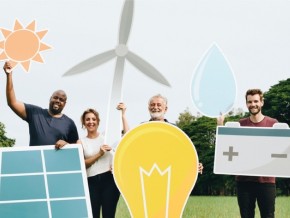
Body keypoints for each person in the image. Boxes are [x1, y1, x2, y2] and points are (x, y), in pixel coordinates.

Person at [217, 89, 277, 218]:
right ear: (246, 104)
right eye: (249, 102)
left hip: (266, 182)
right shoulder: (240, 125)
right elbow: (226, 146)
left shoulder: (273, 124)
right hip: (244, 182)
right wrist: (220, 125)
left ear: (262, 103)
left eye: (256, 101)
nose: (253, 104)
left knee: (268, 215)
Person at [3, 61, 79, 147]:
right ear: (50, 99)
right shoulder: (35, 113)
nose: (58, 100)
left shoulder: (69, 123)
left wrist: (67, 144)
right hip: (35, 159)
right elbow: (12, 102)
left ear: (64, 104)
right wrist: (9, 75)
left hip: (57, 160)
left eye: (61, 100)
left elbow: (75, 149)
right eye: (55, 97)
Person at [78, 103, 128, 218]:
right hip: (91, 183)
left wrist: (123, 115)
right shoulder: (81, 142)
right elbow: (82, 165)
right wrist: (99, 154)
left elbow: (127, 135)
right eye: (88, 119)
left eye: (93, 119)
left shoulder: (106, 137)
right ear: (84, 123)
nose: (91, 122)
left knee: (109, 215)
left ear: (98, 121)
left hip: (109, 182)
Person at [147, 94, 204, 174]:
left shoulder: (175, 130)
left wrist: (194, 165)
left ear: (165, 109)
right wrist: (123, 115)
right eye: (152, 105)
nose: (155, 107)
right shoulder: (142, 129)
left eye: (159, 105)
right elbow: (131, 144)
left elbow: (183, 153)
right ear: (149, 108)